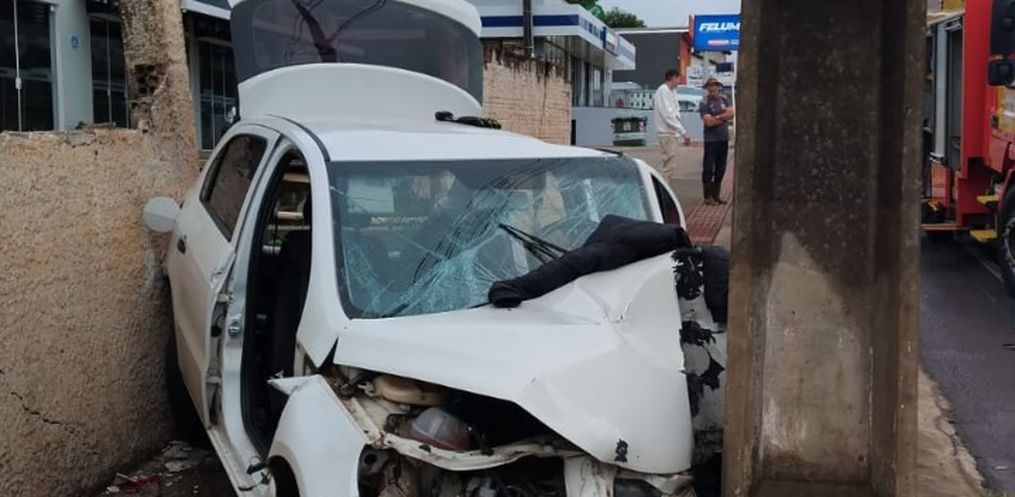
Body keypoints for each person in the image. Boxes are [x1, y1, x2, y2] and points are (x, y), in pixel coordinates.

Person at [699, 77, 734, 205]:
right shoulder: (704, 102)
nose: (712, 88)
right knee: (709, 167)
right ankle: (707, 196)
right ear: (707, 88)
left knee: (721, 167)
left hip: (723, 139)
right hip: (711, 140)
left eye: (714, 85)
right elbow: (708, 122)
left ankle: (716, 194)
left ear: (718, 87)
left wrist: (717, 117)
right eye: (710, 86)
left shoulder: (724, 99)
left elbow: (731, 114)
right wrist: (723, 118)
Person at [653, 69, 692, 181]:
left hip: (671, 132)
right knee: (668, 165)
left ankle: (661, 184)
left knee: (669, 163)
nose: (679, 82)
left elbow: (675, 109)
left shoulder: (672, 91)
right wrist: (683, 132)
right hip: (666, 132)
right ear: (673, 78)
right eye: (678, 79)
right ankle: (661, 186)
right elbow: (668, 115)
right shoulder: (663, 90)